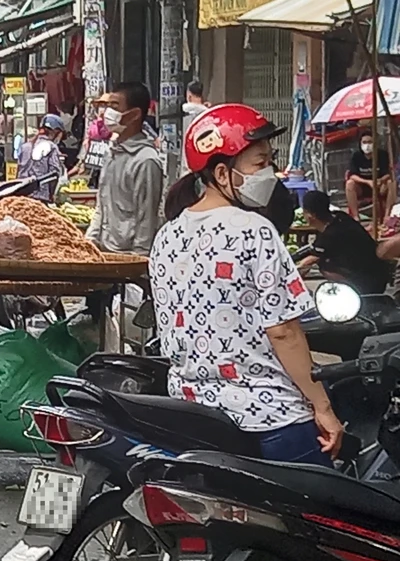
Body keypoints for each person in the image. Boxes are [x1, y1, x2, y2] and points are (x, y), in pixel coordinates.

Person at [156, 103, 344, 465]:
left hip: (193, 414)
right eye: (260, 163)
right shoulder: (254, 231)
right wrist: (322, 407)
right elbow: (284, 331)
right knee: (328, 516)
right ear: (222, 173)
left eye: (271, 162)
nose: (271, 174)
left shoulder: (167, 234)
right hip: (269, 416)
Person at [86, 82, 164, 256]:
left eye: (114, 106)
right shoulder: (111, 153)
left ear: (134, 114)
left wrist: (138, 261)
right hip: (104, 253)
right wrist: (90, 242)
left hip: (127, 256)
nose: (107, 113)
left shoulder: (146, 161)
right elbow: (102, 205)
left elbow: (147, 218)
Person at [296, 191, 390, 294]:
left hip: (369, 283)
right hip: (378, 272)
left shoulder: (330, 235)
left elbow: (308, 262)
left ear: (311, 215)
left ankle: (350, 291)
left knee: (325, 265)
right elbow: (312, 250)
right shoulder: (340, 217)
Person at [345, 130, 395, 220]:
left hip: (380, 185)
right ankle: (356, 216)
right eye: (364, 142)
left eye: (370, 142)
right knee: (349, 184)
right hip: (362, 186)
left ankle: (387, 215)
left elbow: (388, 173)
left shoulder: (382, 155)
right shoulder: (356, 156)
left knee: (391, 183)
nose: (367, 145)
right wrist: (368, 182)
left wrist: (380, 181)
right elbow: (352, 175)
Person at [16, 114, 67, 203]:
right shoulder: (52, 147)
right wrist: (52, 195)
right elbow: (54, 174)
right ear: (56, 132)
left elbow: (19, 172)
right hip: (40, 197)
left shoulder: (25, 147)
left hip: (22, 196)